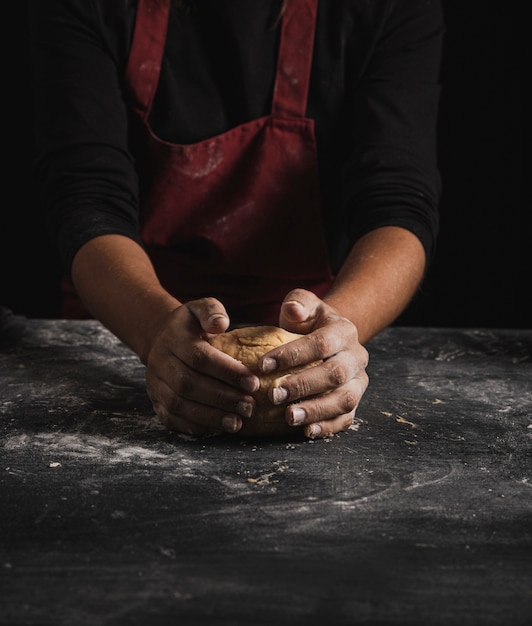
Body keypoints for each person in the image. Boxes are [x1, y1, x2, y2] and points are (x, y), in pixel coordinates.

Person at [27, 0, 443, 439]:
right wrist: (154, 329)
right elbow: (87, 199)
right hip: (121, 322)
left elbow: (400, 202)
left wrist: (335, 337)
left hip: (302, 334)